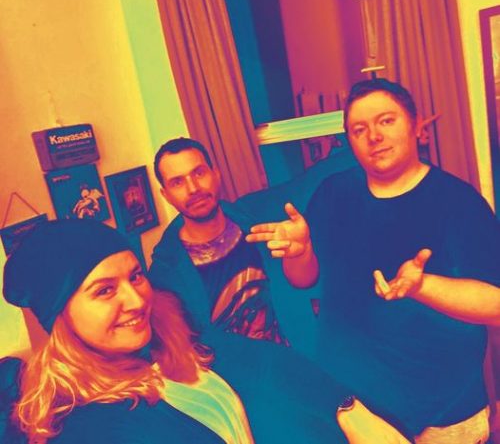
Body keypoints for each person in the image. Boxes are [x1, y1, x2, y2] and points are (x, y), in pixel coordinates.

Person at [0, 219, 412, 444]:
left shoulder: (169, 337)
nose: (136, 300)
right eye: (104, 290)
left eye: (135, 276)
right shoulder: (84, 428)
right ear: (61, 318)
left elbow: (266, 361)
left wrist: (347, 408)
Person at [247, 78, 500, 443]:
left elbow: (495, 306)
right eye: (359, 129)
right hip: (357, 411)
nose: (374, 137)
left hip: (442, 413)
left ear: (416, 126)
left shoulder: (459, 202)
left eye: (386, 121)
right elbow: (305, 280)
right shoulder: (333, 193)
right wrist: (300, 253)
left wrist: (424, 286)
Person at [149, 137, 357, 357]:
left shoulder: (257, 215)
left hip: (301, 359)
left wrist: (301, 254)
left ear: (216, 174)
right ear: (166, 195)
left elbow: (313, 180)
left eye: (199, 173)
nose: (193, 188)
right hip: (240, 375)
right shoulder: (165, 275)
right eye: (177, 182)